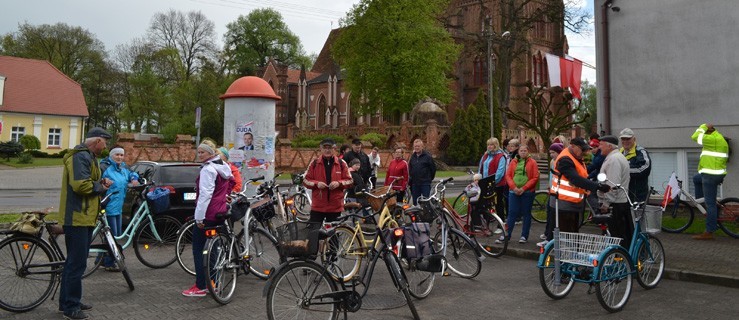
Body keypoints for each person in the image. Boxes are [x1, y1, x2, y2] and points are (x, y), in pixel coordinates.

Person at [59, 127, 113, 320]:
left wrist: (101, 182)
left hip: (85, 217)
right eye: (105, 142)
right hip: (77, 218)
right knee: (77, 263)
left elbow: (89, 181)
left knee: (73, 263)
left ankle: (67, 301)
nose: (106, 146)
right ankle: (71, 307)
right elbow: (80, 185)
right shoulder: (80, 157)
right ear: (96, 141)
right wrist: (101, 187)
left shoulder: (89, 157)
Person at [182, 143, 235, 297]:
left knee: (199, 249)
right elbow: (231, 182)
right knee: (213, 250)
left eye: (203, 152)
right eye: (198, 152)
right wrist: (224, 197)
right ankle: (214, 284)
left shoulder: (208, 170)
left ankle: (201, 286)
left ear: (210, 153)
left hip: (208, 214)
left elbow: (205, 195)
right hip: (220, 211)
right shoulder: (223, 166)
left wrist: (199, 217)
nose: (200, 155)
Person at [549, 137, 610, 233]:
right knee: (568, 237)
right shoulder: (565, 159)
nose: (584, 152)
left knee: (573, 236)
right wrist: (597, 186)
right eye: (583, 149)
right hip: (563, 204)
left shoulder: (575, 157)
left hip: (572, 204)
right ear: (573, 146)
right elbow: (575, 179)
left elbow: (583, 174)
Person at [99, 146, 139, 271]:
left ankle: (101, 259)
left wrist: (134, 178)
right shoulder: (106, 168)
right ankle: (109, 263)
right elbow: (98, 181)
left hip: (118, 208)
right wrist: (103, 181)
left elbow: (132, 173)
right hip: (109, 208)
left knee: (113, 236)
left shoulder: (122, 169)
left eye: (121, 155)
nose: (120, 157)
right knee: (114, 236)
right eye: (117, 155)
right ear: (111, 155)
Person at [691, 123, 729, 240]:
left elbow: (694, 136)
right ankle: (703, 202)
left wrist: (703, 126)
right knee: (696, 178)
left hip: (711, 175)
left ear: (707, 131)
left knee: (710, 204)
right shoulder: (718, 137)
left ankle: (709, 231)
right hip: (714, 174)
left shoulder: (711, 139)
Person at [303, 138, 353, 226]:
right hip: (318, 207)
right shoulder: (314, 163)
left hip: (335, 207)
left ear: (334, 149)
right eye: (325, 148)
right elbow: (306, 180)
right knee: (315, 235)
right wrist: (317, 184)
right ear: (321, 149)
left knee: (333, 236)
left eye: (330, 148)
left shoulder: (342, 163)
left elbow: (350, 181)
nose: (327, 150)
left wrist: (339, 183)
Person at [597, 135, 632, 249]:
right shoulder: (616, 157)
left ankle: (621, 261)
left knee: (617, 237)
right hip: (619, 202)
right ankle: (622, 260)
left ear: (609, 145)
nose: (599, 147)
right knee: (622, 235)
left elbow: (613, 185)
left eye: (601, 144)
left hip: (616, 204)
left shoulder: (614, 160)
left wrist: (606, 204)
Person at [499, 145, 539, 244]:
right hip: (514, 191)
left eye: (525, 151)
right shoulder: (513, 162)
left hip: (527, 192)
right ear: (518, 152)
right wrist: (514, 187)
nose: (523, 152)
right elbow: (508, 176)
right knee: (511, 213)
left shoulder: (533, 162)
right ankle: (507, 234)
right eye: (521, 151)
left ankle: (524, 236)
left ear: (528, 152)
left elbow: (535, 177)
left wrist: (524, 188)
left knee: (526, 213)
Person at [538, 142, 564, 247]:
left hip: (557, 193)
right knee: (550, 215)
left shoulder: (560, 162)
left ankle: (549, 238)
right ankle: (548, 235)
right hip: (552, 191)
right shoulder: (553, 161)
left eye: (553, 152)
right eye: (550, 153)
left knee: (553, 216)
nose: (551, 155)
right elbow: (551, 176)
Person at [478, 137, 507, 221]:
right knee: (485, 204)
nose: (489, 146)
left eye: (491, 145)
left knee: (498, 204)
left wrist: (492, 183)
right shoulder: (485, 155)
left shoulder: (501, 156)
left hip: (497, 185)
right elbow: (481, 168)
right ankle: (487, 221)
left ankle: (501, 222)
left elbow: (500, 172)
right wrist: (479, 179)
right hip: (485, 184)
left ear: (496, 145)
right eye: (488, 145)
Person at [619, 128, 651, 202]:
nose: (625, 141)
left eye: (628, 139)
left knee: (636, 214)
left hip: (637, 196)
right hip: (622, 195)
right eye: (623, 139)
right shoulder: (619, 153)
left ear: (634, 139)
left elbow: (644, 169)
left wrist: (623, 171)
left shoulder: (641, 152)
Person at [408, 139, 437, 204]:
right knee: (415, 201)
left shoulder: (427, 156)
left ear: (422, 147)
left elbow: (433, 169)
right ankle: (417, 214)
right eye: (415, 146)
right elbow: (410, 168)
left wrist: (429, 179)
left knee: (425, 201)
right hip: (415, 183)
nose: (417, 148)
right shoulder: (413, 157)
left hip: (425, 183)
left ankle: (425, 214)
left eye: (418, 146)